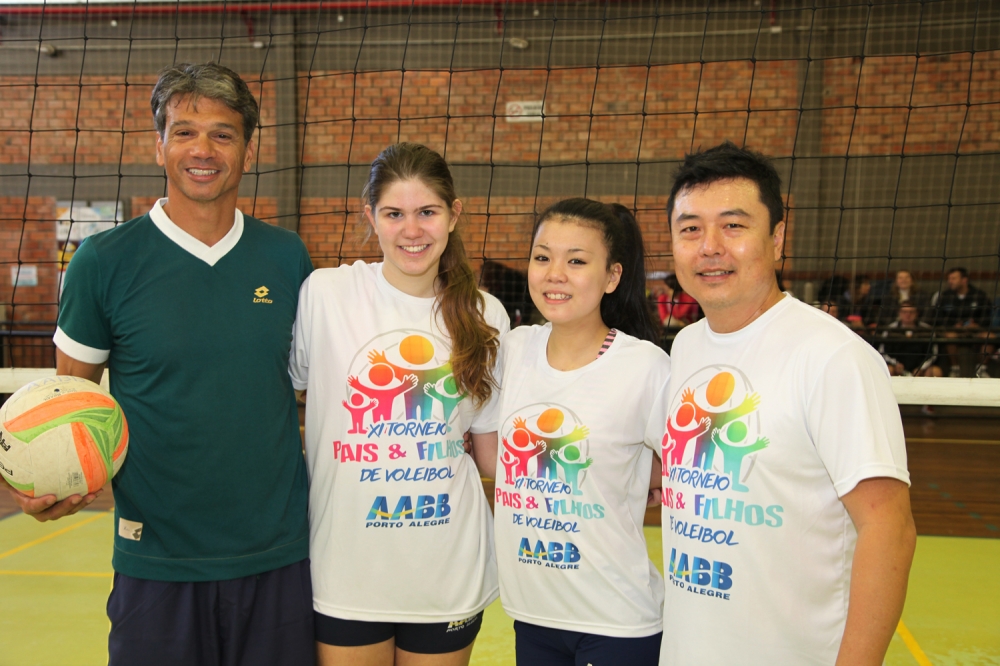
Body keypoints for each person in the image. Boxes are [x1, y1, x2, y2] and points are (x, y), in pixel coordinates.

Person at [3, 63, 316, 665]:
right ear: (159, 145)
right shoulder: (102, 262)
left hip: (278, 557)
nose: (203, 150)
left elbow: (314, 393)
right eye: (184, 132)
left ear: (248, 151)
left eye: (223, 134)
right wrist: (49, 482)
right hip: (156, 563)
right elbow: (67, 408)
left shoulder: (286, 257)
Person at [659, 141, 915, 665]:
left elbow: (888, 529)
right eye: (690, 229)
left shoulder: (833, 356)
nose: (710, 247)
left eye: (733, 226)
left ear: (776, 238)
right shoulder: (686, 346)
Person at [289, 143, 509, 666]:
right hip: (346, 570)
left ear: (453, 215)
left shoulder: (486, 314)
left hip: (447, 568)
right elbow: (284, 390)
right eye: (394, 214)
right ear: (371, 217)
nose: (412, 230)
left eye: (427, 212)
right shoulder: (325, 294)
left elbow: (491, 453)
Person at [472, 199, 670, 666]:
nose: (555, 274)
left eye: (576, 261)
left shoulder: (645, 366)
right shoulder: (513, 349)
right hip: (532, 615)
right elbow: (493, 458)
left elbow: (681, 471)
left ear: (612, 276)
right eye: (542, 257)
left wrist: (639, 477)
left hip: (615, 620)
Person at [927, 267, 993, 376]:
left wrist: (977, 326)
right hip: (954, 331)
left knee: (990, 337)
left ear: (964, 280)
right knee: (950, 336)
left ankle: (981, 369)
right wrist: (953, 327)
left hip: (975, 331)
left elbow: (986, 317)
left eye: (953, 278)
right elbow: (939, 319)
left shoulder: (979, 295)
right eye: (949, 279)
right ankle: (955, 369)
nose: (950, 281)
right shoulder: (945, 296)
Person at [878, 301, 943, 377]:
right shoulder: (889, 330)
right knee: (888, 370)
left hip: (921, 368)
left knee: (935, 371)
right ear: (899, 313)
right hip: (897, 367)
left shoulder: (927, 330)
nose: (908, 315)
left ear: (916, 313)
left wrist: (921, 368)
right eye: (904, 312)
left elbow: (933, 354)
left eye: (911, 312)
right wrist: (896, 364)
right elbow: (883, 352)